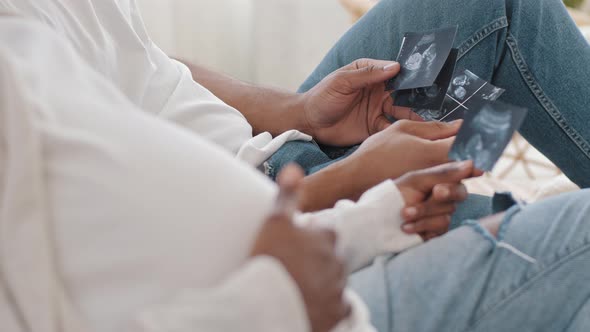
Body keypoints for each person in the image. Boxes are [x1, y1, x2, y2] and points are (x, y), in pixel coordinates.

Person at [0, 0, 590, 331]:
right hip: (288, 237)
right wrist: (347, 185)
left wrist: (300, 111)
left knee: (499, 6)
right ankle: (486, 218)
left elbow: (143, 64)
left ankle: (477, 187)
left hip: (278, 155)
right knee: (566, 237)